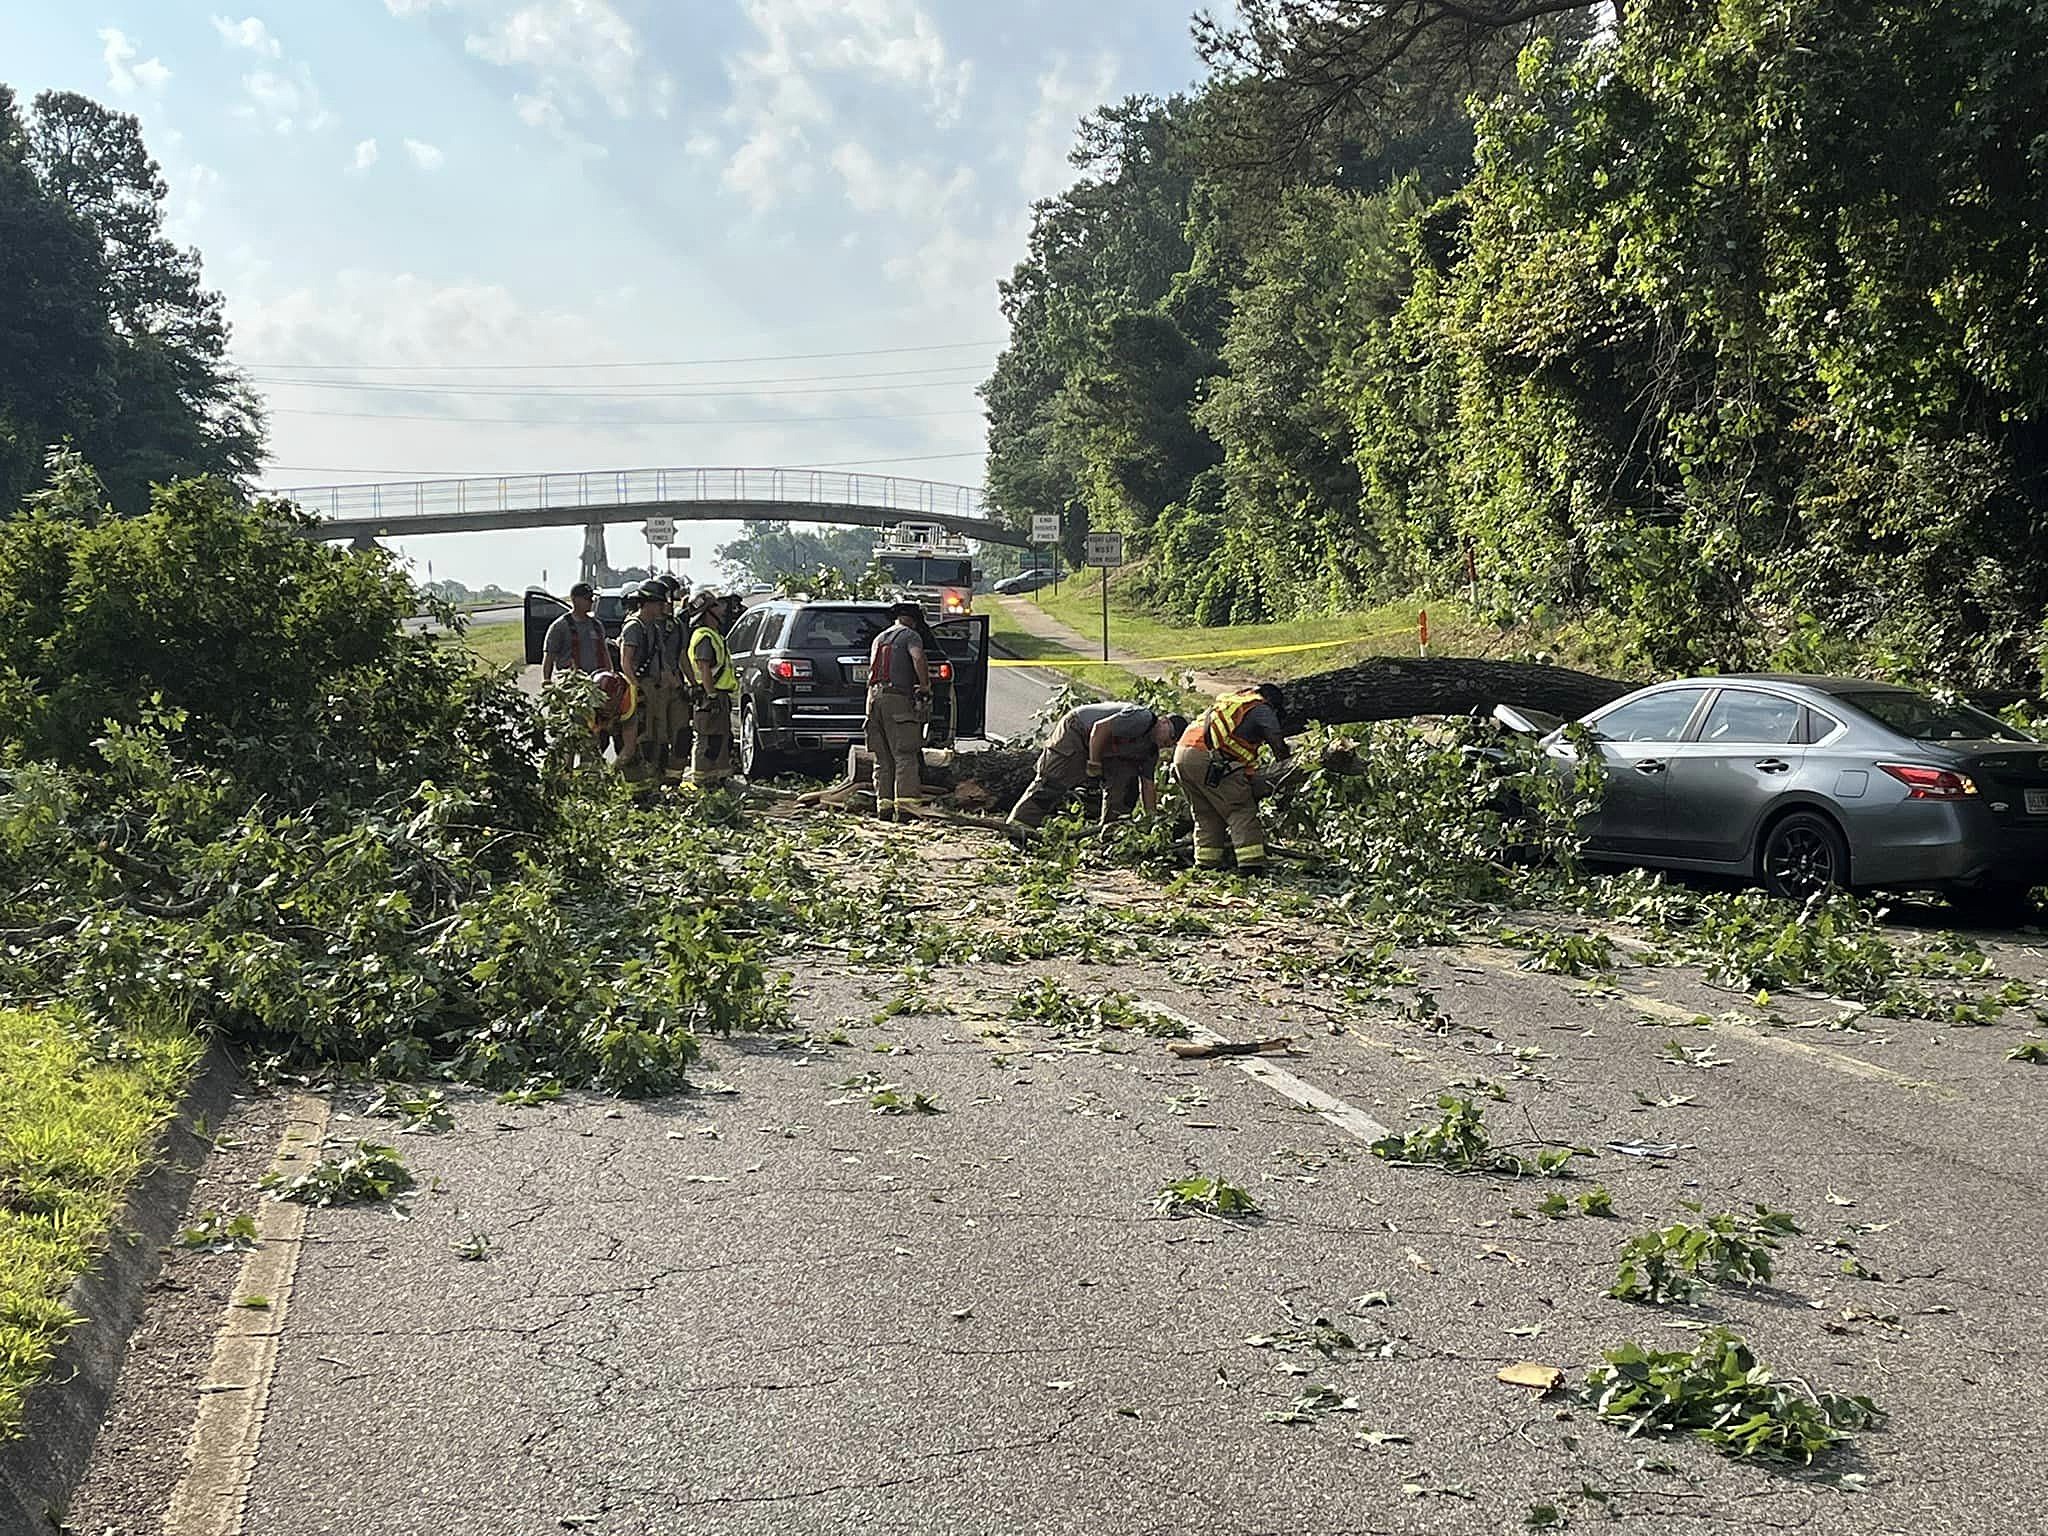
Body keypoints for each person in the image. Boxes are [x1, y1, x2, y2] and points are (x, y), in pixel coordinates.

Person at [1171, 683, 1293, 875]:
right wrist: (1288, 767)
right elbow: (1277, 742)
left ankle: (1206, 866)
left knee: (1207, 814)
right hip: (1208, 757)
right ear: (1272, 702)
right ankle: (1251, 866)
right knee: (1240, 809)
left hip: (1182, 754)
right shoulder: (1261, 707)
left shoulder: (1231, 702)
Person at [1008, 703, 1187, 830]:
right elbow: (1099, 730)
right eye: (1170, 736)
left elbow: (1147, 785)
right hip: (1079, 730)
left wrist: (1151, 818)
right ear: (1163, 721)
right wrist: (1094, 763)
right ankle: (1019, 826)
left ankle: (1111, 831)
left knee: (1126, 783)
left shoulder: (1149, 751)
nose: (1168, 743)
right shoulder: (1142, 718)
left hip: (1105, 747)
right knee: (1054, 781)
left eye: (1173, 743)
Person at [865, 599, 929, 821]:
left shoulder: (879, 638)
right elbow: (918, 657)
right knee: (905, 755)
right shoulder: (910, 636)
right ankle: (907, 810)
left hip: (873, 700)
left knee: (882, 758)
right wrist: (924, 686)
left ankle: (884, 807)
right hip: (896, 699)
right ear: (913, 619)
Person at [617, 582, 682, 785]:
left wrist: (676, 685)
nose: (664, 606)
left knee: (658, 735)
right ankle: (617, 779)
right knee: (640, 737)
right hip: (640, 686)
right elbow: (626, 662)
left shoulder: (653, 627)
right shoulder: (634, 627)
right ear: (648, 603)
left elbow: (663, 662)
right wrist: (636, 691)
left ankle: (655, 779)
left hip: (655, 687)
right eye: (660, 602)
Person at [685, 588, 739, 787]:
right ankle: (702, 781)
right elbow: (704, 668)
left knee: (721, 738)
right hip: (710, 696)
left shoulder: (714, 634)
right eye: (716, 605)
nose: (722, 608)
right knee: (708, 740)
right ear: (707, 611)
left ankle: (719, 779)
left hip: (718, 695)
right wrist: (712, 695)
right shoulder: (704, 637)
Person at [540, 582, 607, 683]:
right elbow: (549, 656)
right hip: (570, 683)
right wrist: (546, 680)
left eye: (591, 599)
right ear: (575, 599)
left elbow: (604, 652)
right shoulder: (560, 626)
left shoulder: (597, 625)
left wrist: (610, 673)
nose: (591, 602)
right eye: (587, 598)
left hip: (597, 682)